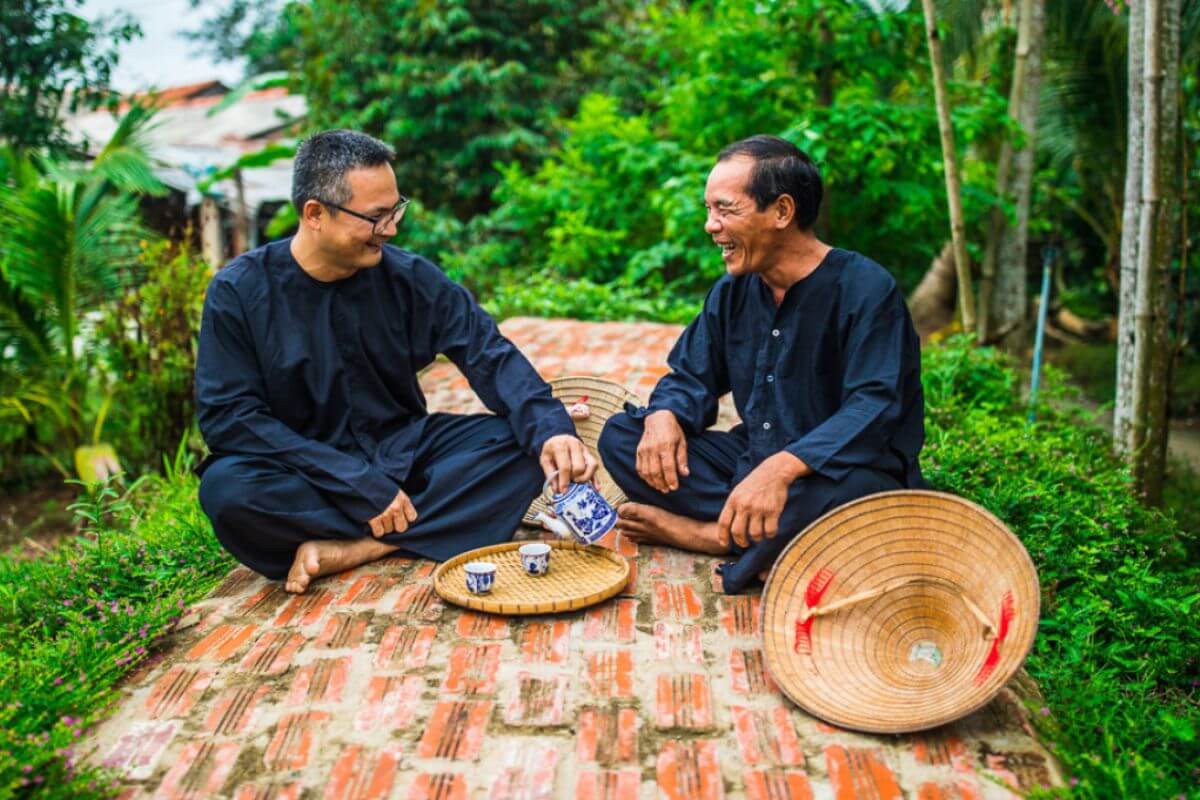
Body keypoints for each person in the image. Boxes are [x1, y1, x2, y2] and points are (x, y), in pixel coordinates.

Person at [196, 129, 596, 594]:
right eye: (376, 217)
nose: (391, 229)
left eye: (395, 210)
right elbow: (230, 418)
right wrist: (356, 484)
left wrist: (549, 428)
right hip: (305, 471)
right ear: (315, 214)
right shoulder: (238, 292)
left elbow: (487, 351)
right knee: (228, 492)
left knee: (523, 445)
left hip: (404, 451)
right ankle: (430, 524)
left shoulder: (409, 277)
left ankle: (365, 546)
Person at [597, 135, 925, 595]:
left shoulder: (867, 289)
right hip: (751, 462)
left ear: (782, 211)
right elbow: (690, 375)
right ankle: (767, 535)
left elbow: (875, 406)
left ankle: (711, 535)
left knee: (854, 498)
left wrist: (783, 469)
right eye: (708, 210)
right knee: (621, 436)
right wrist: (663, 415)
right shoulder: (732, 292)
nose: (711, 226)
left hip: (835, 474)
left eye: (725, 210)